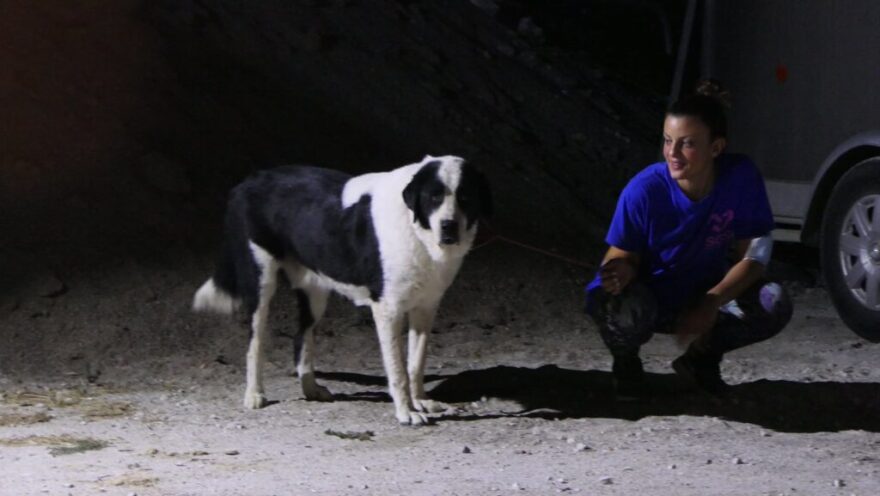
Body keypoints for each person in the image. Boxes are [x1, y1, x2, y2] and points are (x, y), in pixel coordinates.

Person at [585, 80, 793, 399]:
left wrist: (712, 301)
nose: (673, 154)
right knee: (621, 304)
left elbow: (754, 257)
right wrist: (621, 270)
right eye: (668, 141)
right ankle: (626, 364)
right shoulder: (644, 190)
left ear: (716, 147)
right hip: (651, 298)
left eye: (687, 143)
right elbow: (619, 256)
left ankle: (701, 360)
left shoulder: (740, 177)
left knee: (773, 301)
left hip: (700, 294)